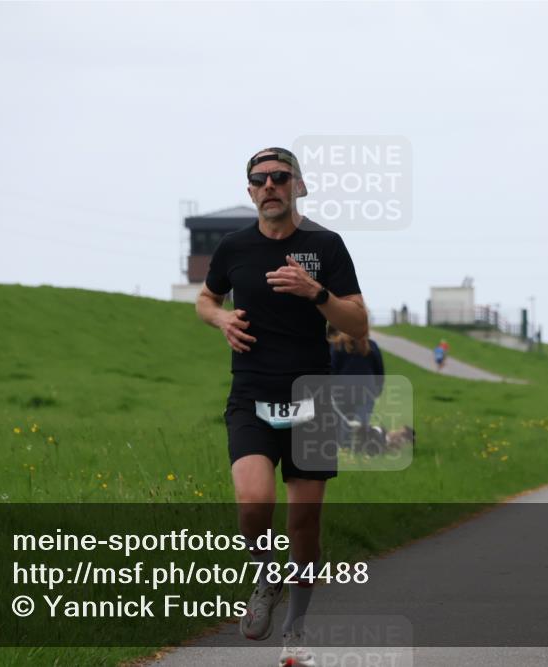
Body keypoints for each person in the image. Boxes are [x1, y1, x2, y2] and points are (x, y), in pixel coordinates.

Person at [195, 147, 366, 667]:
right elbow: (205, 299)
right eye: (259, 179)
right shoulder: (233, 247)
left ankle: (295, 632)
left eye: (279, 177)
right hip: (250, 392)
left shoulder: (325, 245)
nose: (269, 185)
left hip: (312, 396)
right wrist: (219, 320)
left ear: (297, 186)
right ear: (250, 191)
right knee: (252, 504)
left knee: (305, 523)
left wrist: (316, 293)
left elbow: (357, 324)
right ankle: (267, 573)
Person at [328, 328, 385, 449]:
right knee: (361, 422)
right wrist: (378, 388)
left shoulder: (337, 345)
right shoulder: (370, 345)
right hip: (366, 390)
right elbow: (379, 370)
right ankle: (359, 447)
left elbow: (331, 369)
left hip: (342, 390)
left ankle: (345, 448)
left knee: (344, 422)